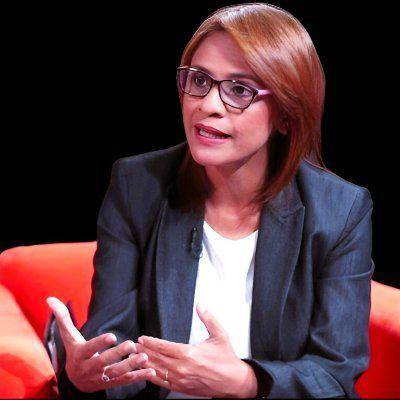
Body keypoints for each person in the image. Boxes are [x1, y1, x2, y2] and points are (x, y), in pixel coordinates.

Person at [47, 3, 374, 399]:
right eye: (199, 80)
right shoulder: (137, 186)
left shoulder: (340, 211)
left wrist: (244, 382)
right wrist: (87, 376)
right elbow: (113, 344)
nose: (208, 105)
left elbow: (336, 376)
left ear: (286, 115)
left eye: (239, 90)